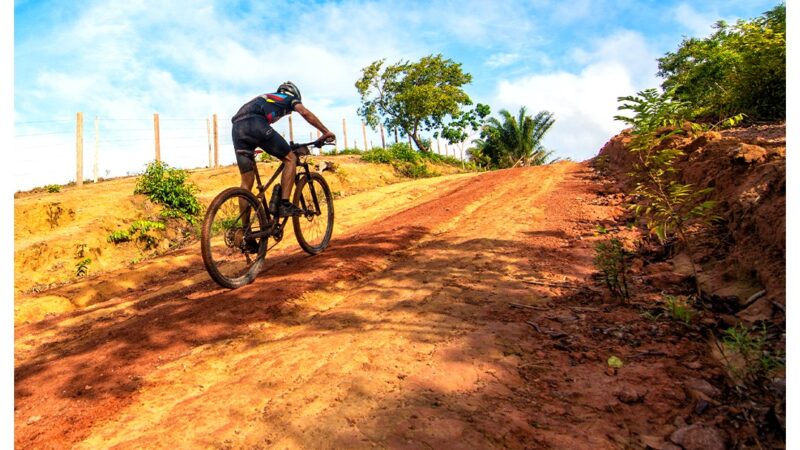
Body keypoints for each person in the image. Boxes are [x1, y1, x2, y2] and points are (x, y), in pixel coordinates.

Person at [231, 81, 335, 218]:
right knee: (290, 158)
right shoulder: (288, 98)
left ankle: (244, 232)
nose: (289, 113)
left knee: (246, 183)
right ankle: (284, 204)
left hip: (237, 128)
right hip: (255, 123)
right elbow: (304, 112)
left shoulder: (267, 99)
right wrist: (325, 132)